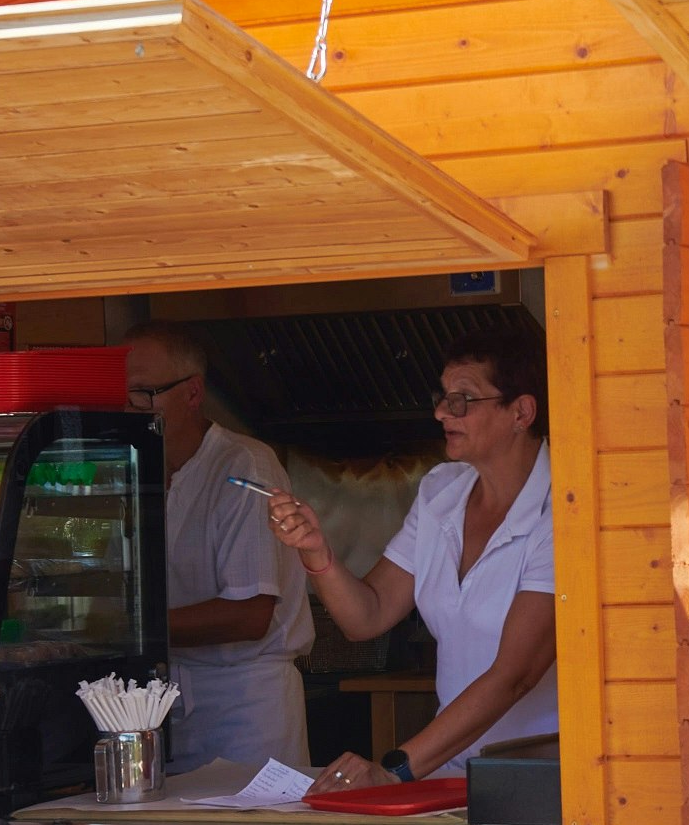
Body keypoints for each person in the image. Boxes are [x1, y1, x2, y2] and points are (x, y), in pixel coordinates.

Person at [269, 334, 559, 789]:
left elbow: (515, 675)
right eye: (442, 397)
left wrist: (395, 769)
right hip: (451, 770)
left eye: (462, 399)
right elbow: (367, 615)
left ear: (521, 412)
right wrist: (315, 549)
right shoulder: (442, 490)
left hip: (542, 776)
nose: (442, 412)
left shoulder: (561, 508)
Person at [124, 321, 311, 771]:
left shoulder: (244, 468)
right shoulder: (133, 468)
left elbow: (250, 614)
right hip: (162, 702)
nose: (127, 407)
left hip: (245, 708)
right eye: (119, 394)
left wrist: (127, 630)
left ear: (192, 393)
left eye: (143, 393)